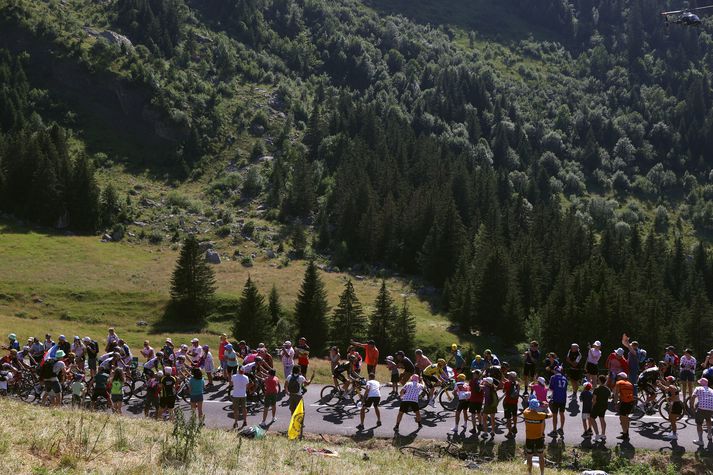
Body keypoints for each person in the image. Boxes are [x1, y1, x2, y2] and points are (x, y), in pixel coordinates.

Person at [524, 398, 551, 475]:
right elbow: (551, 415)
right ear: (537, 407)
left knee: (529, 457)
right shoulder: (541, 415)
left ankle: (529, 473)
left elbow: (527, 408)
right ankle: (542, 473)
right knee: (541, 456)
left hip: (529, 438)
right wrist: (547, 407)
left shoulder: (525, 413)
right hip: (539, 438)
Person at [658, 376, 684, 441]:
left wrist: (667, 399)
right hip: (675, 404)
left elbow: (673, 397)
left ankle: (674, 435)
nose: (666, 381)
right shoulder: (672, 386)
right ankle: (673, 433)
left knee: (672, 421)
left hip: (675, 405)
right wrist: (660, 384)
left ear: (669, 381)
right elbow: (665, 388)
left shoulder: (671, 387)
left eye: (667, 380)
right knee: (671, 419)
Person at [613, 372, 634, 442]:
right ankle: (626, 431)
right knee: (626, 417)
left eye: (618, 376)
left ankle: (625, 435)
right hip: (631, 402)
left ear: (620, 377)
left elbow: (616, 394)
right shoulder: (630, 383)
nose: (617, 377)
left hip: (625, 402)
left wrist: (615, 403)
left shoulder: (619, 383)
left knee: (622, 418)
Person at [692, 378, 713, 446]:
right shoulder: (711, 390)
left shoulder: (698, 388)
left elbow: (693, 396)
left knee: (699, 423)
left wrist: (691, 405)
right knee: (708, 419)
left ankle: (700, 440)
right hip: (710, 408)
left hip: (701, 408)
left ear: (701, 383)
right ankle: (709, 435)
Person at [590, 375, 610, 443]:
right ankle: (603, 434)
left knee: (592, 418)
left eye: (598, 380)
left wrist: (592, 406)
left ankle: (597, 434)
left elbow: (594, 399)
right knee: (602, 419)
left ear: (600, 381)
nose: (597, 381)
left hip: (597, 406)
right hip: (604, 406)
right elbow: (609, 397)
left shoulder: (597, 389)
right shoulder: (607, 389)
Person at [548, 367, 568, 438]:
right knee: (562, 413)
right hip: (563, 398)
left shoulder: (553, 377)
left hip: (556, 398)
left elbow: (551, 388)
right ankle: (561, 428)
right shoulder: (564, 378)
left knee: (554, 415)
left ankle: (554, 430)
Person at [503, 371, 520, 438]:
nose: (508, 376)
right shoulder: (517, 384)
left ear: (510, 377)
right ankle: (515, 427)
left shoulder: (507, 383)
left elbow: (504, 391)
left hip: (508, 402)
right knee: (514, 415)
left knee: (508, 418)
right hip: (515, 403)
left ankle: (510, 433)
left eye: (509, 375)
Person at [468, 370, 485, 434]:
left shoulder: (472, 381)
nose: (473, 374)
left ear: (477, 375)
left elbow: (470, 387)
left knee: (473, 414)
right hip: (480, 400)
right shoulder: (482, 381)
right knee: (479, 413)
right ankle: (480, 425)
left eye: (474, 373)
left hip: (473, 400)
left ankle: (474, 428)